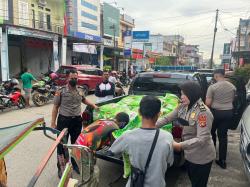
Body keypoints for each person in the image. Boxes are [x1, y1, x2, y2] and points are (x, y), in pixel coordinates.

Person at [157, 81, 216, 187]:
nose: (181, 97)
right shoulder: (183, 107)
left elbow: (202, 139)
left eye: (184, 94)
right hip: (189, 154)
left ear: (192, 93)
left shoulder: (203, 112)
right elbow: (167, 118)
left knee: (198, 184)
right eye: (181, 94)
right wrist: (149, 126)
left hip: (201, 157)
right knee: (193, 180)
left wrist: (180, 146)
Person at [109, 96, 174, 187]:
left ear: (139, 112)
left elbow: (112, 151)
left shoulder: (128, 136)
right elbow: (169, 162)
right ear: (159, 114)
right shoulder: (167, 137)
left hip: (135, 183)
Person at [51, 69, 98, 178]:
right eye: (72, 78)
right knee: (62, 146)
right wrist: (53, 123)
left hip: (77, 121)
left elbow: (84, 100)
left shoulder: (80, 90)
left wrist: (94, 105)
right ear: (68, 78)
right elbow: (55, 107)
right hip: (64, 121)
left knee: (76, 145)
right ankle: (61, 168)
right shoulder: (61, 91)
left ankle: (75, 164)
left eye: (76, 78)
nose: (74, 80)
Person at [206, 69, 236, 169]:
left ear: (216, 76)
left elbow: (208, 104)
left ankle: (212, 154)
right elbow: (232, 100)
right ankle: (222, 161)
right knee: (223, 136)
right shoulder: (232, 87)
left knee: (211, 133)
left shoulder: (212, 87)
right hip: (228, 112)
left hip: (215, 113)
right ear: (224, 75)